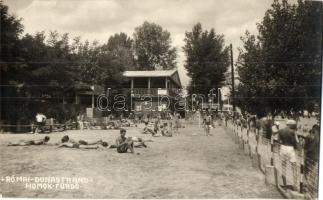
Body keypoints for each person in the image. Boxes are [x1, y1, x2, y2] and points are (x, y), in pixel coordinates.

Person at [277, 119, 299, 190]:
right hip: (290, 148)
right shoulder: (293, 131)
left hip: (283, 147)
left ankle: (284, 185)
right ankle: (295, 185)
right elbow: (296, 141)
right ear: (291, 125)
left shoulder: (280, 131)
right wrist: (296, 147)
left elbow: (278, 140)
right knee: (294, 167)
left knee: (283, 167)